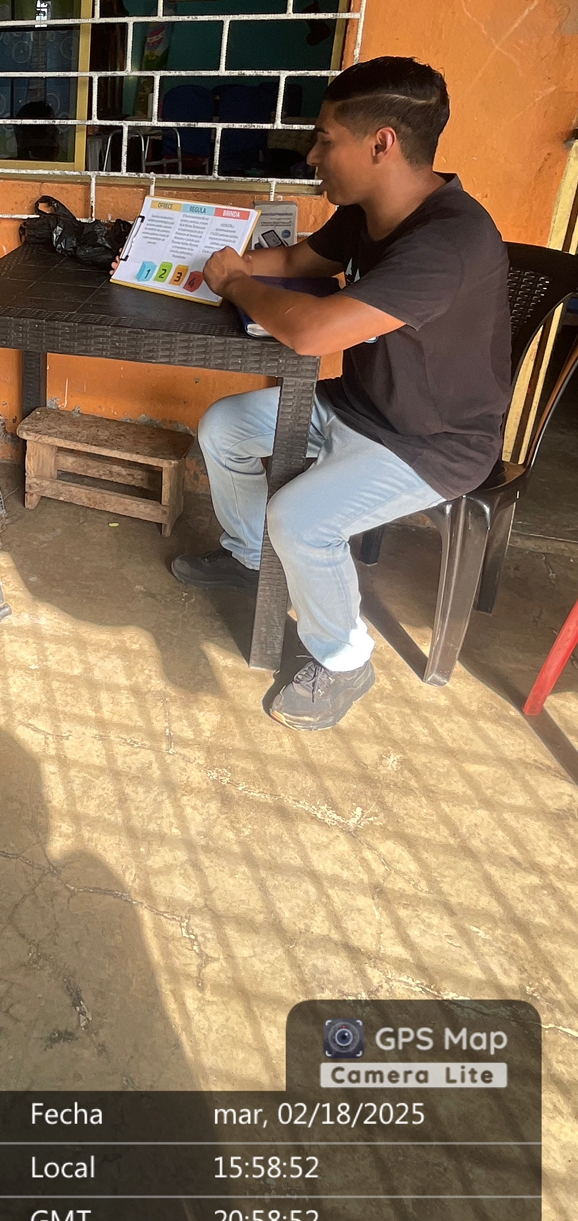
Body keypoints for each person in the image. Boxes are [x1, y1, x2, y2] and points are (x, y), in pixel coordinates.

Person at [172, 56, 511, 731]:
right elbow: (300, 261)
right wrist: (227, 265)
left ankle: (344, 658)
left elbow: (312, 332)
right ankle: (249, 560)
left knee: (301, 520)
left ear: (382, 143)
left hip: (431, 444)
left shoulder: (449, 241)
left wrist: (236, 285)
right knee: (223, 426)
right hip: (357, 405)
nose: (312, 155)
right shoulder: (367, 211)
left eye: (325, 139)